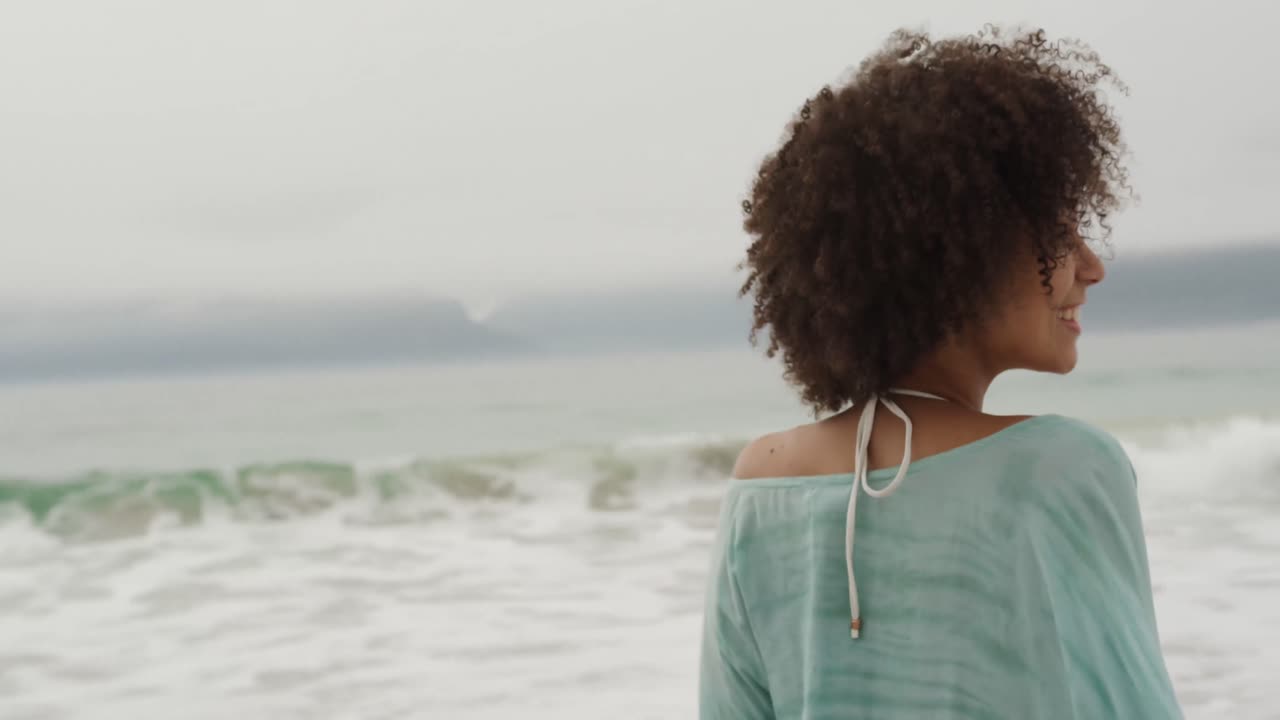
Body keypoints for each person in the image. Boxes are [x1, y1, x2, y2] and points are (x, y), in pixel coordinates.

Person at [699, 26, 1183, 718]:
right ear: (964, 247)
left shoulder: (761, 488)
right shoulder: (1061, 469)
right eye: (1059, 231)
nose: (1091, 265)